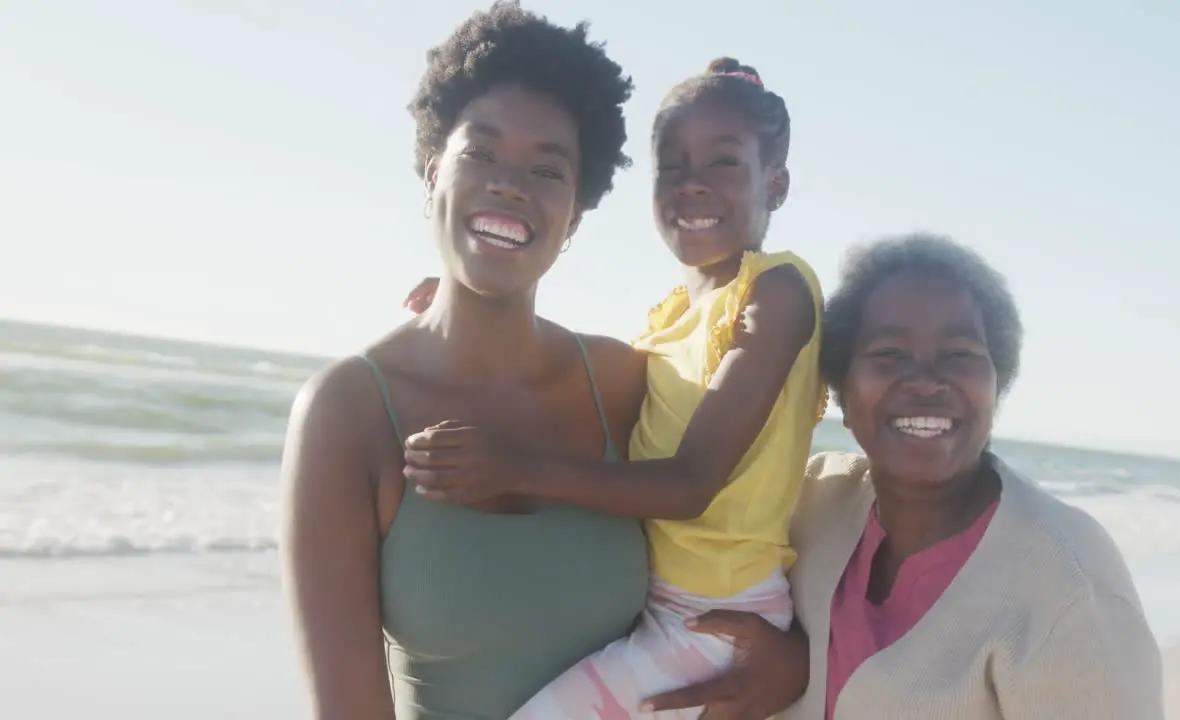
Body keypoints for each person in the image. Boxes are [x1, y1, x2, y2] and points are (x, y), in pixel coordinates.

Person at [280, 4, 805, 718]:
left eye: (548, 169)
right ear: (434, 172)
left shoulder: (623, 384)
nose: (510, 185)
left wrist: (793, 659)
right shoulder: (349, 411)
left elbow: (765, 480)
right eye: (481, 154)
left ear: (576, 215)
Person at [399, 58, 827, 718]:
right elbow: (590, 379)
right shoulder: (672, 316)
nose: (693, 185)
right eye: (672, 166)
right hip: (668, 609)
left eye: (723, 164)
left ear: (776, 184)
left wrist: (514, 470)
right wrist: (469, 305)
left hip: (718, 621)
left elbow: (689, 484)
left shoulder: (777, 292)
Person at [770, 233, 1164, 718]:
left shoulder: (1068, 581)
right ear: (841, 393)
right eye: (889, 354)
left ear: (996, 388)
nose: (925, 380)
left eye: (959, 355)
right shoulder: (808, 502)